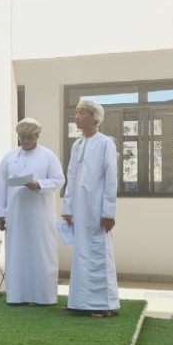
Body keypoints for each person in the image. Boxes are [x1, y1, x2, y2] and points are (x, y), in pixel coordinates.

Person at [0, 118, 65, 306]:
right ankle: (17, 296)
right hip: (15, 215)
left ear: (37, 136)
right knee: (17, 253)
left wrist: (39, 184)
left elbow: (58, 180)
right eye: (22, 137)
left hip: (41, 214)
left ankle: (43, 297)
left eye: (29, 137)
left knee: (42, 253)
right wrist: (1, 213)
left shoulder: (48, 156)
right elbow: (1, 186)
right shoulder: (9, 157)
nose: (25, 141)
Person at [62, 100, 120, 318]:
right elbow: (71, 177)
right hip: (79, 209)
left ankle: (104, 304)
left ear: (95, 117)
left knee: (98, 253)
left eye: (82, 113)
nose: (76, 116)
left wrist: (108, 212)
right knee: (81, 254)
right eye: (76, 112)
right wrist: (68, 208)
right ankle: (79, 302)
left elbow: (111, 179)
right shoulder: (77, 145)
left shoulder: (105, 143)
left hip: (97, 210)